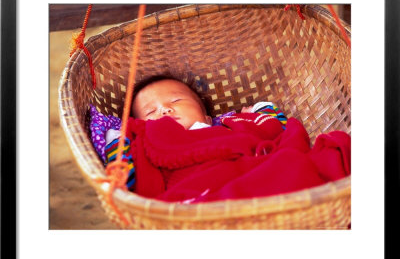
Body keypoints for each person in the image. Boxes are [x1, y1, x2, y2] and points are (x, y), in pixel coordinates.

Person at [105, 73, 350, 202]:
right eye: (151, 112)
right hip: (203, 195)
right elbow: (126, 172)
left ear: (208, 116)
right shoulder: (146, 142)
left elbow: (277, 128)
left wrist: (258, 112)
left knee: (330, 149)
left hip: (260, 173)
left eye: (176, 101)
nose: (165, 110)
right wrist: (119, 140)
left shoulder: (231, 126)